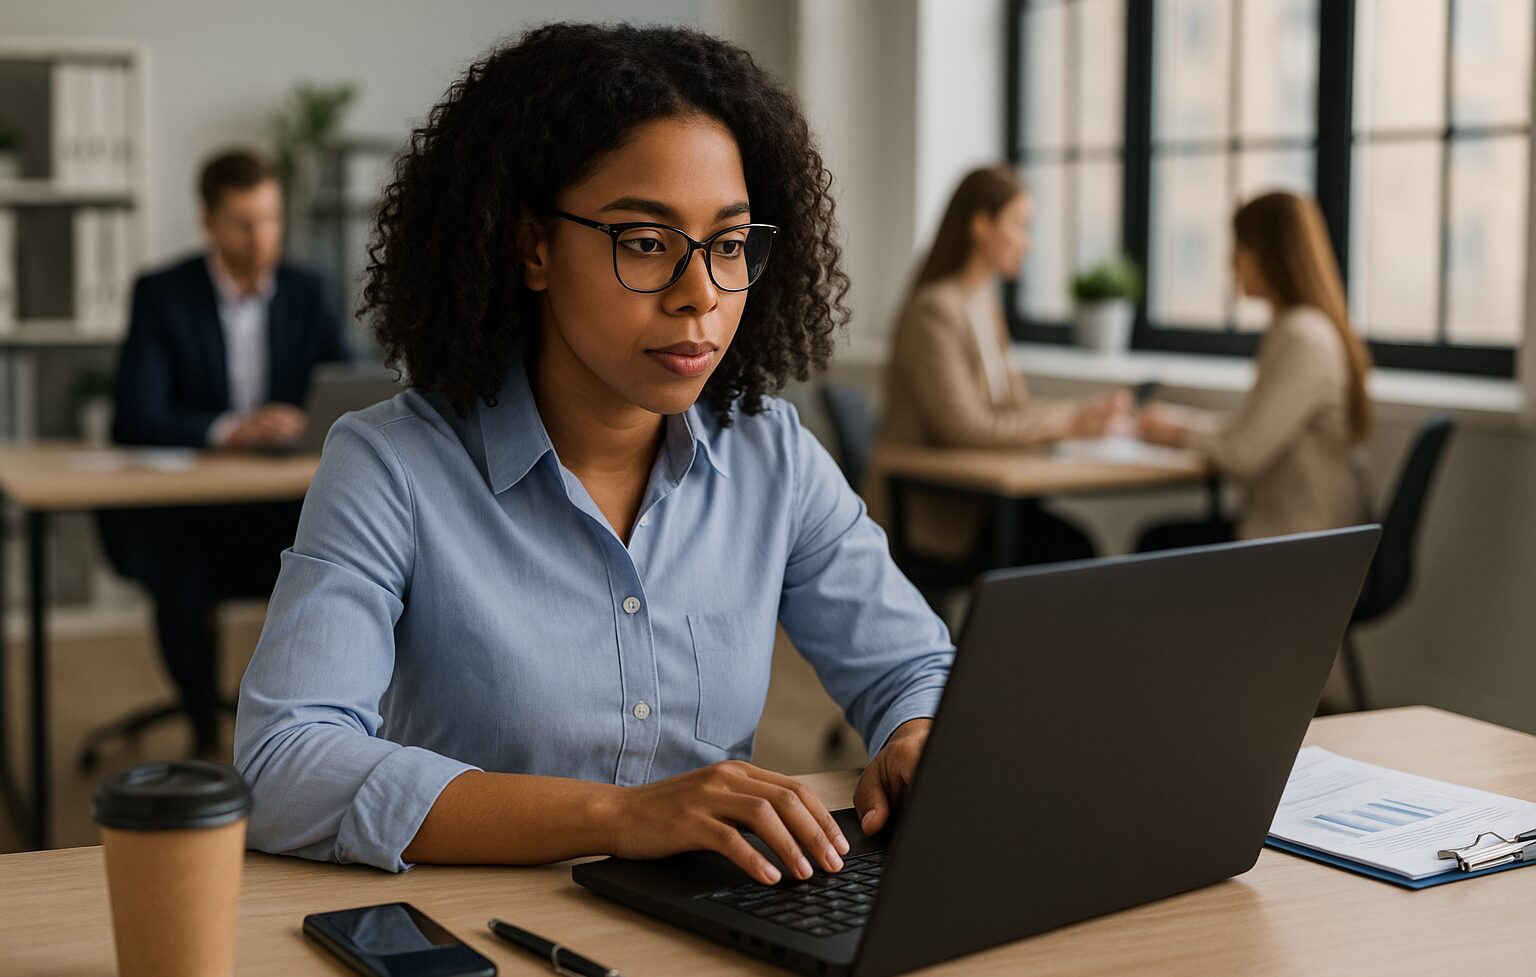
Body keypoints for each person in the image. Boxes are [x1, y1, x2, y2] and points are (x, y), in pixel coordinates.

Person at [234, 23, 953, 884]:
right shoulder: (391, 466)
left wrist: (918, 733)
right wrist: (620, 816)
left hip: (714, 931)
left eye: (728, 246)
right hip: (479, 940)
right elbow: (283, 762)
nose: (701, 298)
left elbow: (916, 664)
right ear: (533, 246)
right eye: (645, 243)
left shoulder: (771, 454)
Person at [99, 148, 351, 757]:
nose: (260, 237)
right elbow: (134, 416)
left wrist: (305, 422)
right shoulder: (162, 293)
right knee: (179, 570)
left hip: (280, 500)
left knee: (347, 560)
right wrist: (230, 429)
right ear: (209, 222)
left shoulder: (306, 289)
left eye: (270, 219)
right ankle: (205, 731)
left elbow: (349, 384)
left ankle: (313, 730)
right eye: (243, 222)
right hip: (190, 509)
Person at [869, 165, 1126, 566]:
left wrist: (1083, 414)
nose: (1028, 243)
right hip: (940, 512)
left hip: (984, 503)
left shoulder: (984, 305)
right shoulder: (934, 310)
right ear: (982, 225)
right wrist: (1068, 423)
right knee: (1070, 551)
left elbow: (1013, 408)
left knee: (1072, 546)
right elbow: (965, 427)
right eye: (1020, 226)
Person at [1135, 192, 1372, 549]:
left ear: (1271, 255)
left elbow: (1244, 453)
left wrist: (1175, 433)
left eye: (1240, 248)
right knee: (1159, 540)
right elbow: (1256, 428)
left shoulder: (1303, 336)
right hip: (1296, 532)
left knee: (1153, 546)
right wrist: (1177, 422)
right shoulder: (1297, 327)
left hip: (1302, 543)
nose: (1231, 263)